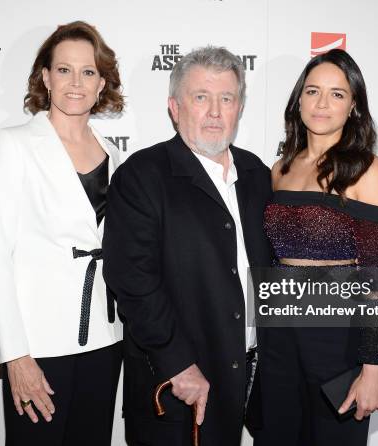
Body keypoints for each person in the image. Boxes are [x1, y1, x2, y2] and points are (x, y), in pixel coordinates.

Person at [102, 46, 273, 445]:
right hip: (176, 389)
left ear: (240, 107)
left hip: (248, 381)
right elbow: (132, 281)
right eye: (201, 98)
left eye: (226, 98)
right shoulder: (142, 177)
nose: (215, 111)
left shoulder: (258, 175)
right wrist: (178, 365)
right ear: (175, 107)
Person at [0, 21, 124, 446]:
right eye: (64, 70)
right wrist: (15, 356)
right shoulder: (12, 145)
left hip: (104, 338)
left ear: (102, 83)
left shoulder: (116, 156)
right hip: (39, 346)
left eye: (89, 72)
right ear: (45, 77)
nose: (76, 82)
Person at [255, 49, 378, 445]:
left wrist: (372, 369)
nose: (321, 103)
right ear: (298, 99)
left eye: (337, 94)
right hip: (279, 332)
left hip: (337, 334)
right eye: (313, 91)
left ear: (353, 106)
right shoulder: (280, 169)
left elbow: (375, 275)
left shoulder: (368, 169)